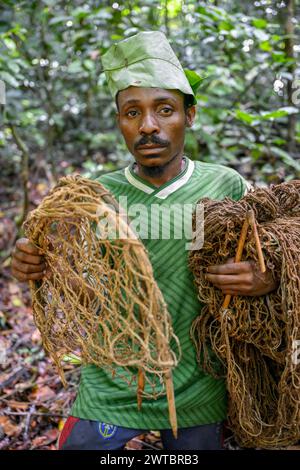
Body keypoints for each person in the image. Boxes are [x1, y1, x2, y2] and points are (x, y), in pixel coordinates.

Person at [11, 31, 278, 450]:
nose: (148, 126)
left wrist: (265, 280)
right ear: (119, 121)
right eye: (131, 113)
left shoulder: (226, 185)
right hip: (112, 378)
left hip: (199, 384)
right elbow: (64, 272)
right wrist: (32, 265)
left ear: (189, 115)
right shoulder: (96, 196)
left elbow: (271, 261)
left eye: (165, 110)